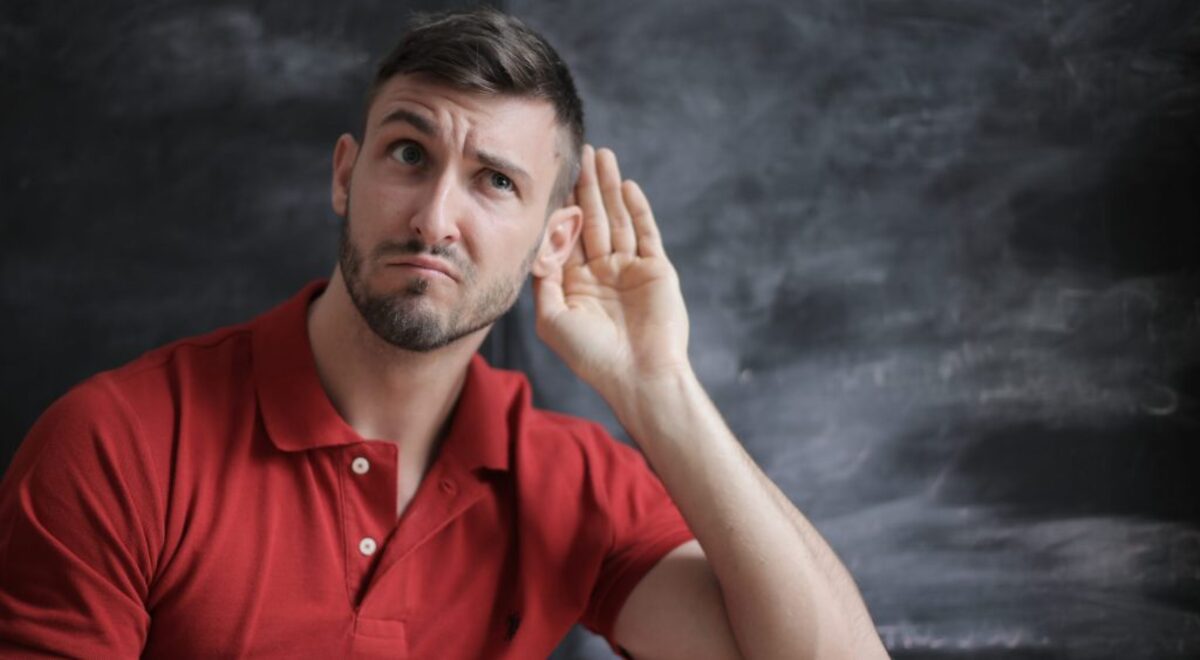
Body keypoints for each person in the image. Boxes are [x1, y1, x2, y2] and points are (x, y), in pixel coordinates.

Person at [0, 7, 888, 659]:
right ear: (346, 175)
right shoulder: (117, 444)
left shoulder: (568, 483)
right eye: (409, 154)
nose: (434, 218)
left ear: (555, 238)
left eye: (495, 181)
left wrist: (660, 388)